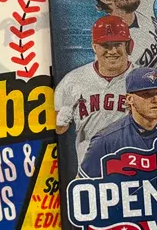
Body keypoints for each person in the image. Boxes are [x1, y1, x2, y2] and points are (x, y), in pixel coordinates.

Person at [81, 68, 157, 177]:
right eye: (146, 94)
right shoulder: (106, 140)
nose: (155, 99)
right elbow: (81, 185)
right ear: (130, 99)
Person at [54, 15, 134, 164]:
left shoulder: (144, 78)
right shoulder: (72, 80)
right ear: (94, 47)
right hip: (90, 167)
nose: (112, 51)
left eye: (118, 44)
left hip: (134, 164)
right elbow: (59, 129)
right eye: (105, 45)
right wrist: (59, 123)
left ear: (128, 46)